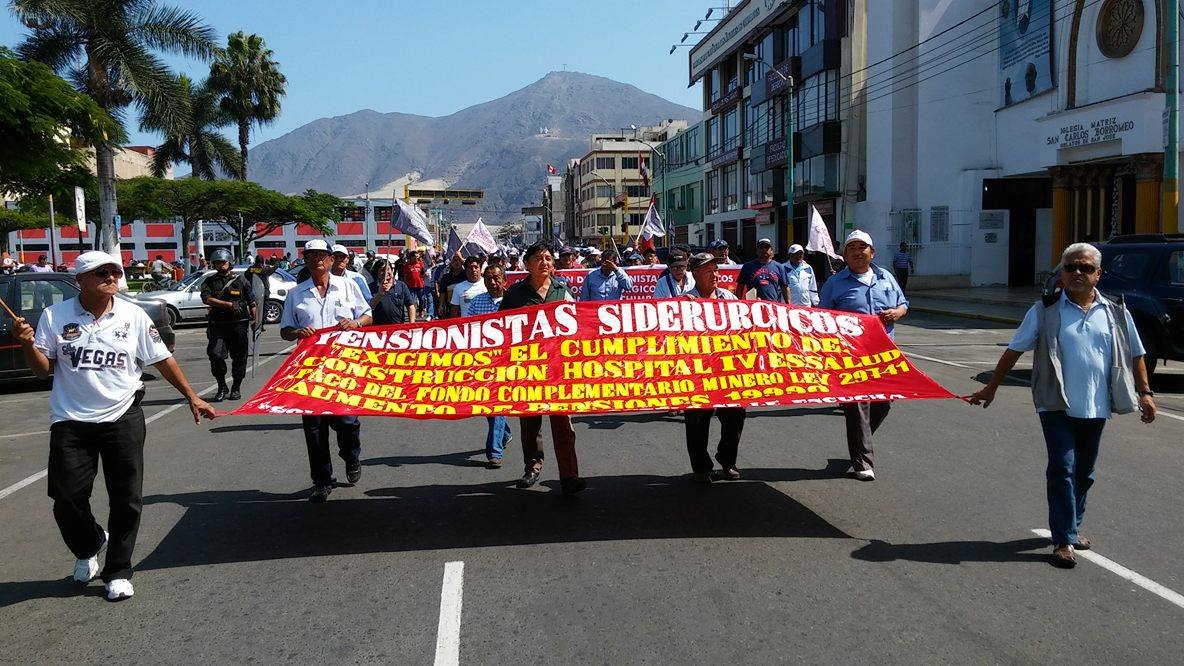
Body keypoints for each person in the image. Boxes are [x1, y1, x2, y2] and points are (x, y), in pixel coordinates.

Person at [13, 251, 214, 601]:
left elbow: (161, 359)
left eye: (115, 271)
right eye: (101, 272)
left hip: (123, 416)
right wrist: (27, 342)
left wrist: (191, 396)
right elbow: (42, 369)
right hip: (71, 421)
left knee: (126, 497)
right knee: (66, 498)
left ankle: (118, 570)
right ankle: (91, 542)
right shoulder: (54, 316)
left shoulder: (133, 316)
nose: (111, 277)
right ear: (81, 280)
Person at [969, 243, 1156, 568]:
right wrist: (992, 387)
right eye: (1071, 268)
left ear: (1098, 274)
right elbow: (1014, 350)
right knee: (1063, 468)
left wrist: (1146, 392)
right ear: (1062, 274)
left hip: (1097, 406)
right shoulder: (1044, 310)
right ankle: (1062, 540)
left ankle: (1072, 526)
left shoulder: (1115, 312)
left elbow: (1136, 353)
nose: (1078, 274)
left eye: (1085, 268)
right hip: (1055, 403)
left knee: (1085, 472)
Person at [280, 239, 373, 502]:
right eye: (311, 256)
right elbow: (286, 330)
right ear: (305, 260)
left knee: (347, 422)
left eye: (322, 255)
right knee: (314, 427)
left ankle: (351, 455)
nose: (317, 260)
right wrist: (298, 332)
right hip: (309, 370)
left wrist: (355, 323)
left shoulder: (348, 286)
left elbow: (367, 315)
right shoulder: (296, 294)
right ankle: (321, 480)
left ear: (331, 260)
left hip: (344, 366)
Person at [819, 230, 908, 481]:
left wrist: (898, 313)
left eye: (862, 247)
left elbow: (904, 303)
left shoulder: (886, 277)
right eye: (852, 248)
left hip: (884, 355)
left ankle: (860, 442)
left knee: (883, 403)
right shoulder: (835, 284)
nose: (858, 252)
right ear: (845, 255)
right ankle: (863, 461)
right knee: (857, 407)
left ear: (872, 252)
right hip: (850, 356)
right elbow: (822, 319)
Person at [499, 241, 584, 494]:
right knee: (530, 423)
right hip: (528, 368)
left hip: (559, 369)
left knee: (563, 424)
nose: (545, 263)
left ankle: (569, 475)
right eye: (539, 258)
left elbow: (577, 325)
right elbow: (500, 327)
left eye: (548, 258)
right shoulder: (515, 294)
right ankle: (533, 467)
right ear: (527, 264)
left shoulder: (563, 291)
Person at [682, 252, 746, 483]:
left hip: (726, 368)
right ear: (695, 274)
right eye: (708, 271)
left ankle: (727, 460)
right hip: (697, 371)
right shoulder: (684, 301)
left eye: (716, 270)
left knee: (735, 415)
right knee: (697, 420)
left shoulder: (728, 298)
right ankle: (701, 467)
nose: (715, 275)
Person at [467, 265, 514, 468]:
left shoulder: (513, 302)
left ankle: (494, 452)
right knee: (487, 405)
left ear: (504, 280)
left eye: (496, 278)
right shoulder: (477, 302)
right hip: (483, 361)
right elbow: (467, 330)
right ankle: (505, 433)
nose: (492, 283)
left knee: (497, 403)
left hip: (508, 360)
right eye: (488, 279)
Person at [200, 249, 255, 402]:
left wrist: (256, 321)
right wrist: (227, 305)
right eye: (218, 262)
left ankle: (236, 387)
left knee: (239, 358)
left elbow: (253, 301)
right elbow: (206, 299)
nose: (221, 265)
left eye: (223, 262)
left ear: (229, 263)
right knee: (216, 355)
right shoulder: (209, 281)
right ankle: (221, 385)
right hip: (218, 325)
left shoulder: (241, 280)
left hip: (239, 325)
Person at [736, 238, 790, 303]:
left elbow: (785, 288)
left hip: (772, 307)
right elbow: (740, 287)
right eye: (761, 247)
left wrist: (788, 305)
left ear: (772, 251)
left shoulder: (779, 267)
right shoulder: (747, 267)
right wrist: (738, 303)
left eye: (767, 248)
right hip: (753, 306)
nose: (764, 250)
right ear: (757, 251)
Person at [367, 257, 417, 325]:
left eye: (388, 269)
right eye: (382, 270)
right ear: (377, 273)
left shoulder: (401, 285)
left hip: (397, 328)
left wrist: (412, 323)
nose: (385, 272)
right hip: (377, 329)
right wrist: (380, 294)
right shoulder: (370, 287)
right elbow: (369, 306)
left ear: (392, 270)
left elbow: (410, 305)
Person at [436, 254, 466, 318]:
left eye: (459, 260)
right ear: (451, 262)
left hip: (464, 307)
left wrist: (462, 259)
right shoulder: (446, 277)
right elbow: (442, 293)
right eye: (455, 260)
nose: (457, 262)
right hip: (451, 308)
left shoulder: (467, 275)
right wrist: (440, 306)